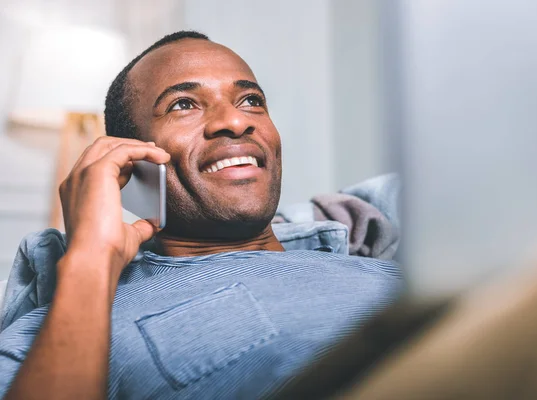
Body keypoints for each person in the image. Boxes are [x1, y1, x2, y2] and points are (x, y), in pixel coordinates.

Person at [0, 31, 401, 399]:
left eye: (251, 100)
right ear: (132, 161)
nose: (235, 120)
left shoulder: (372, 253)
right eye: (183, 104)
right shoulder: (66, 324)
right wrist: (91, 257)